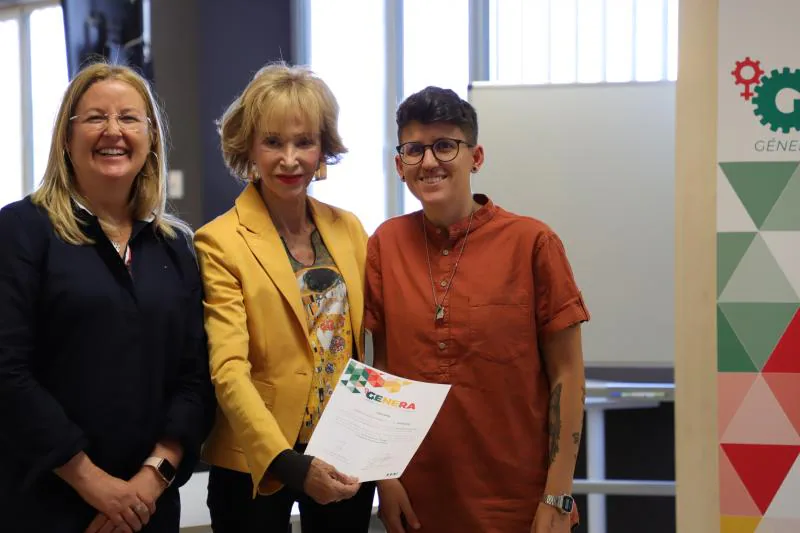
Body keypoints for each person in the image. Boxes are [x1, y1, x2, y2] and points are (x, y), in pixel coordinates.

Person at [0, 62, 216, 533]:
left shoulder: (176, 245)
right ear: (66, 136)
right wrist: (94, 483)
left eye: (129, 118)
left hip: (150, 510)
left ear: (152, 136)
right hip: (47, 505)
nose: (113, 131)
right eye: (95, 117)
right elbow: (7, 372)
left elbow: (194, 380)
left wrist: (149, 482)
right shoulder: (21, 230)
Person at [365, 86, 590, 533]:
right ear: (399, 165)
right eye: (414, 149)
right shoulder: (385, 244)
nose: (429, 162)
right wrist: (385, 478)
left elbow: (568, 373)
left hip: (519, 504)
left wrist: (558, 493)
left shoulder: (532, 243)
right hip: (418, 503)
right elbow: (383, 370)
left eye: (446, 145)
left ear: (476, 157)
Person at [194, 62, 375, 533]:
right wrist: (287, 463)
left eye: (304, 142)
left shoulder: (350, 228)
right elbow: (228, 369)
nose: (289, 159)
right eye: (273, 142)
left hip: (346, 449)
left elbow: (364, 346)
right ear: (249, 147)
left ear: (324, 148)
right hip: (256, 458)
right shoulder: (219, 240)